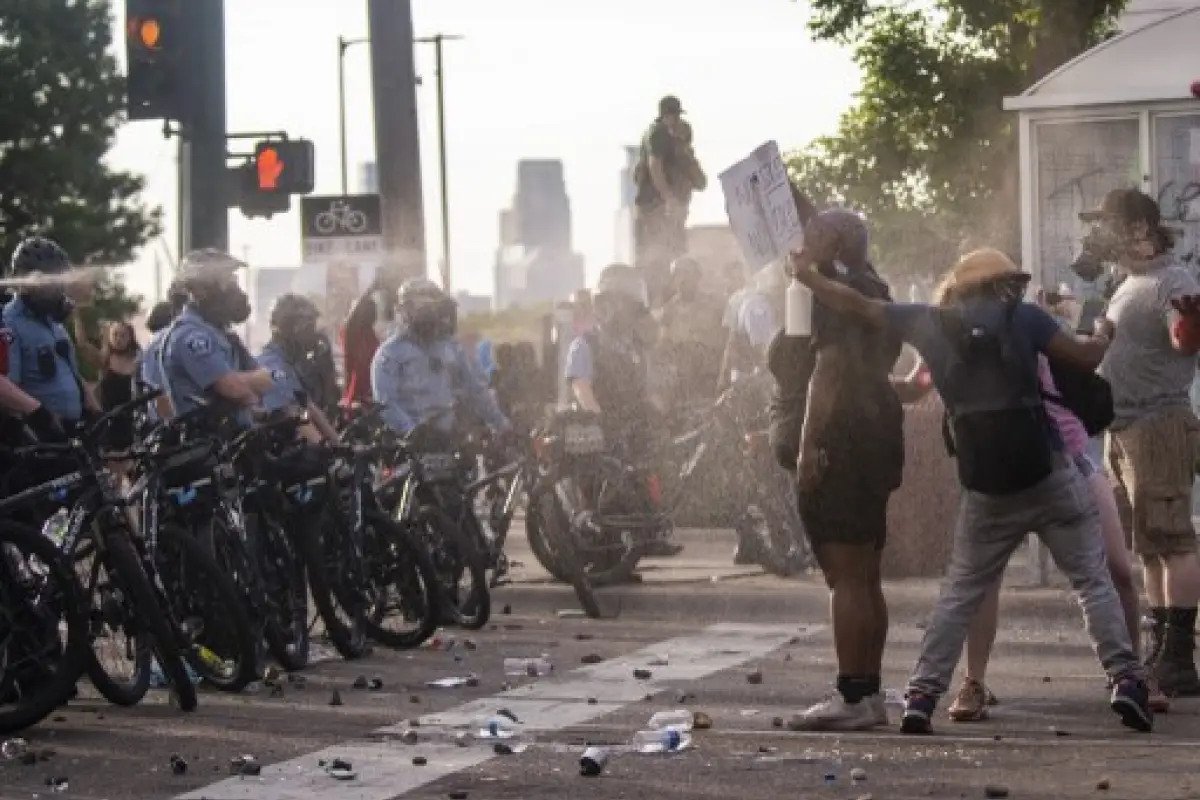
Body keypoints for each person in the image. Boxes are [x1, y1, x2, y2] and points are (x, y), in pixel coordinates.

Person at [789, 246, 1153, 734]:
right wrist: (1105, 329)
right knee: (1091, 579)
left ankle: (922, 696)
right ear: (1001, 285)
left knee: (960, 592)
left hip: (986, 487)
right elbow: (1087, 358)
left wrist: (808, 278)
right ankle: (1126, 680)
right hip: (1046, 473)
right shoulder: (1024, 317)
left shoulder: (928, 321)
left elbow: (858, 304)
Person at [943, 278, 1158, 720]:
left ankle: (1131, 675)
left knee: (1117, 568)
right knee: (984, 579)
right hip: (1004, 467)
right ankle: (973, 682)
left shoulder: (1035, 325)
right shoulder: (966, 336)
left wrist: (1083, 324)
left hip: (1071, 457)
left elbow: (1084, 354)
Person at [769, 210, 908, 731]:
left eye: (811, 233)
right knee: (865, 573)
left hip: (840, 446)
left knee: (845, 576)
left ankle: (853, 696)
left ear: (832, 242)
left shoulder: (832, 293)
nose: (800, 240)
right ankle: (867, 692)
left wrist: (808, 446)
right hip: (873, 440)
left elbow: (826, 372)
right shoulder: (873, 287)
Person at [1086, 188, 1200, 698]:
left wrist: (1190, 320)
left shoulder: (1172, 278)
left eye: (1109, 224)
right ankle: (1161, 649)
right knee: (1150, 546)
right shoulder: (1129, 282)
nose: (1100, 235)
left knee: (1172, 539)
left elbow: (1184, 339)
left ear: (1139, 228)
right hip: (1126, 428)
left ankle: (1179, 656)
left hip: (1158, 425)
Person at [564, 264, 682, 558]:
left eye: (632, 308)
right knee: (608, 491)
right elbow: (581, 387)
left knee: (655, 471)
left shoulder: (634, 347)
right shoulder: (585, 344)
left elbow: (647, 390)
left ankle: (648, 534)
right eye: (622, 306)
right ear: (605, 306)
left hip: (635, 425)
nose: (627, 314)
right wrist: (599, 420)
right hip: (603, 429)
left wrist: (662, 411)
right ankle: (607, 549)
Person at [371, 279, 510, 438]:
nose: (429, 316)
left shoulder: (450, 348)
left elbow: (476, 390)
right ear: (405, 311)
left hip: (449, 439)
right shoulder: (391, 353)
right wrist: (412, 432)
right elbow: (386, 402)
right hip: (407, 446)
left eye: (433, 309)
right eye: (423, 309)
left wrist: (502, 425)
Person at [157, 249, 275, 422]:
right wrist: (250, 382)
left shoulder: (221, 332)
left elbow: (268, 380)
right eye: (226, 281)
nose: (235, 289)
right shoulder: (190, 335)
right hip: (206, 441)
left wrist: (250, 381)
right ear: (199, 290)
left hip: (233, 440)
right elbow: (233, 387)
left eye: (233, 280)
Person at [2, 237, 100, 432]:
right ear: (23, 280)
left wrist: (93, 406)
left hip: (73, 436)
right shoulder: (8, 324)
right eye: (48, 281)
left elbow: (70, 372)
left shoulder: (55, 325)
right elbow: (8, 387)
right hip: (39, 443)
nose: (55, 290)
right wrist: (40, 417)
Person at [632, 96, 704, 307]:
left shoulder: (669, 141)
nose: (676, 122)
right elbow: (655, 166)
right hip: (656, 210)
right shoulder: (658, 134)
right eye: (674, 116)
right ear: (667, 116)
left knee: (669, 259)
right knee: (657, 262)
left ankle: (664, 303)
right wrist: (670, 199)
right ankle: (657, 306)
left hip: (661, 212)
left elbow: (700, 181)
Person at [256, 294, 339, 442]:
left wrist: (339, 445)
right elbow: (294, 414)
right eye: (309, 328)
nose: (314, 335)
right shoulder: (272, 366)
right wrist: (323, 447)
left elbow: (309, 408)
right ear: (293, 329)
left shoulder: (291, 364)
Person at [659, 255, 724, 403]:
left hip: (709, 375)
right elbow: (663, 342)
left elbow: (725, 338)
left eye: (686, 274)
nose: (682, 280)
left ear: (697, 277)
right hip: (681, 378)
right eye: (677, 275)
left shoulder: (714, 305)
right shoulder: (669, 309)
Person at [343, 272, 399, 405]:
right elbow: (353, 318)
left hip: (379, 397)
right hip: (360, 398)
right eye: (368, 310)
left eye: (373, 310)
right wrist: (372, 288)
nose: (372, 314)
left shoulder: (373, 336)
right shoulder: (355, 335)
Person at [93, 321, 140, 450]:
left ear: (130, 337)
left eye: (123, 335)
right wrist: (77, 314)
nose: (118, 339)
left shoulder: (138, 359)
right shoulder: (104, 359)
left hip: (132, 419)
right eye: (115, 335)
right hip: (109, 418)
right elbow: (82, 343)